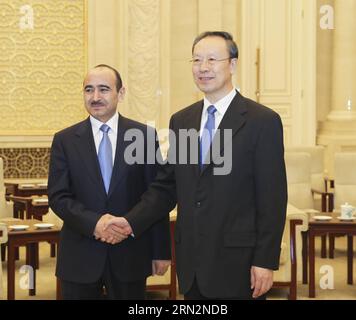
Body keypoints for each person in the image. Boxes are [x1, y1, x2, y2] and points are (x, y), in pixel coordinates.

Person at [104, 31, 287, 300]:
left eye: (212, 59)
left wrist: (265, 260)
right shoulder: (183, 120)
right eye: (197, 60)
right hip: (192, 264)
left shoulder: (261, 121)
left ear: (233, 64)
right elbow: (166, 187)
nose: (203, 67)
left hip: (239, 263)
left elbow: (272, 198)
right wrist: (130, 221)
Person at [47, 64, 171, 300]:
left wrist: (160, 251)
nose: (95, 97)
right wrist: (96, 223)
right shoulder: (65, 140)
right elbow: (59, 196)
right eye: (88, 90)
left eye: (103, 89)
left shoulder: (143, 136)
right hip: (79, 256)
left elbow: (156, 197)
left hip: (130, 255)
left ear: (120, 93)